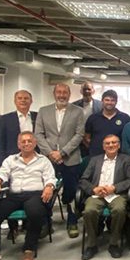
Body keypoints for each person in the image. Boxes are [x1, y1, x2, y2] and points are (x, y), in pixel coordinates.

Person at [0, 131, 56, 260]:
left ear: (35, 143)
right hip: (14, 195)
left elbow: (50, 177)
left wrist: (49, 186)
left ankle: (29, 249)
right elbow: (2, 172)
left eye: (29, 141)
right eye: (23, 141)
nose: (26, 144)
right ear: (18, 144)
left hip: (35, 195)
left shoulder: (43, 160)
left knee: (35, 213)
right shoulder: (11, 160)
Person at [35, 83, 86, 238]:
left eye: (65, 92)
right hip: (48, 159)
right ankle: (46, 222)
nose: (62, 95)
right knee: (45, 190)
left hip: (70, 158)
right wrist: (50, 153)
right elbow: (38, 134)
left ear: (69, 94)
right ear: (54, 93)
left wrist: (63, 152)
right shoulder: (43, 111)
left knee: (71, 191)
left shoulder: (78, 111)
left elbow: (79, 134)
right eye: (59, 92)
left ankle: (72, 221)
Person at [79, 134, 130, 260]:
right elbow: (83, 180)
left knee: (119, 210)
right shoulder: (95, 160)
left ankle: (114, 243)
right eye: (107, 143)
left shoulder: (126, 160)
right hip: (97, 194)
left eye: (114, 142)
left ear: (119, 145)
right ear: (103, 146)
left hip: (116, 194)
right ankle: (92, 245)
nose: (111, 145)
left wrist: (114, 188)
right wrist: (94, 189)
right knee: (89, 211)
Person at [84, 90, 130, 158]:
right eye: (107, 100)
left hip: (119, 158)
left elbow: (129, 139)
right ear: (102, 101)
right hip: (96, 157)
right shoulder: (93, 118)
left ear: (116, 102)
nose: (109, 102)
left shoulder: (125, 118)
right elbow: (86, 138)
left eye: (112, 100)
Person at [0, 90, 36, 167]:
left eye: (26, 98)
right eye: (20, 98)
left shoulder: (38, 116)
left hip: (35, 159)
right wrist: (1, 164)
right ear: (15, 101)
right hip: (13, 160)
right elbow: (0, 143)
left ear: (31, 101)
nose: (23, 100)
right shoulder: (5, 119)